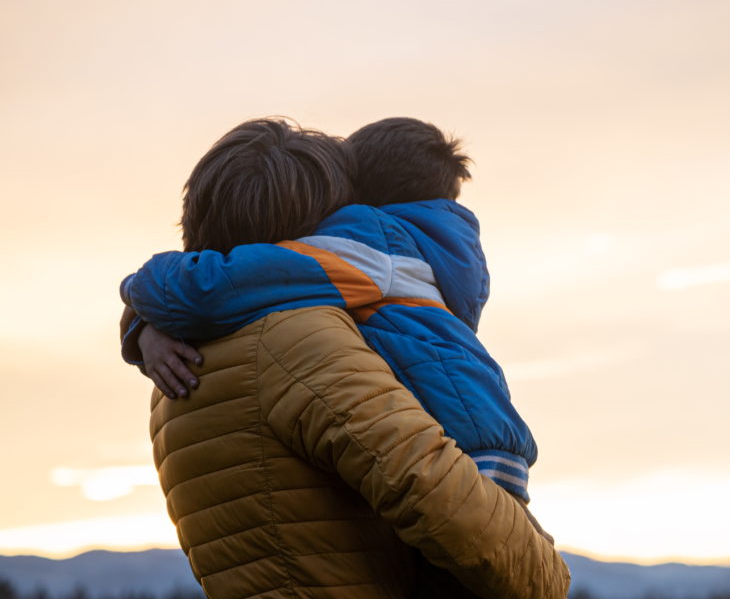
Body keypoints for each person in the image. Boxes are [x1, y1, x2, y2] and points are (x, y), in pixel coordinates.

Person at [119, 117, 570, 599]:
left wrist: (140, 318)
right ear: (305, 228)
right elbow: (433, 496)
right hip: (486, 457)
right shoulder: (299, 340)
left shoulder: (176, 371)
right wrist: (549, 577)